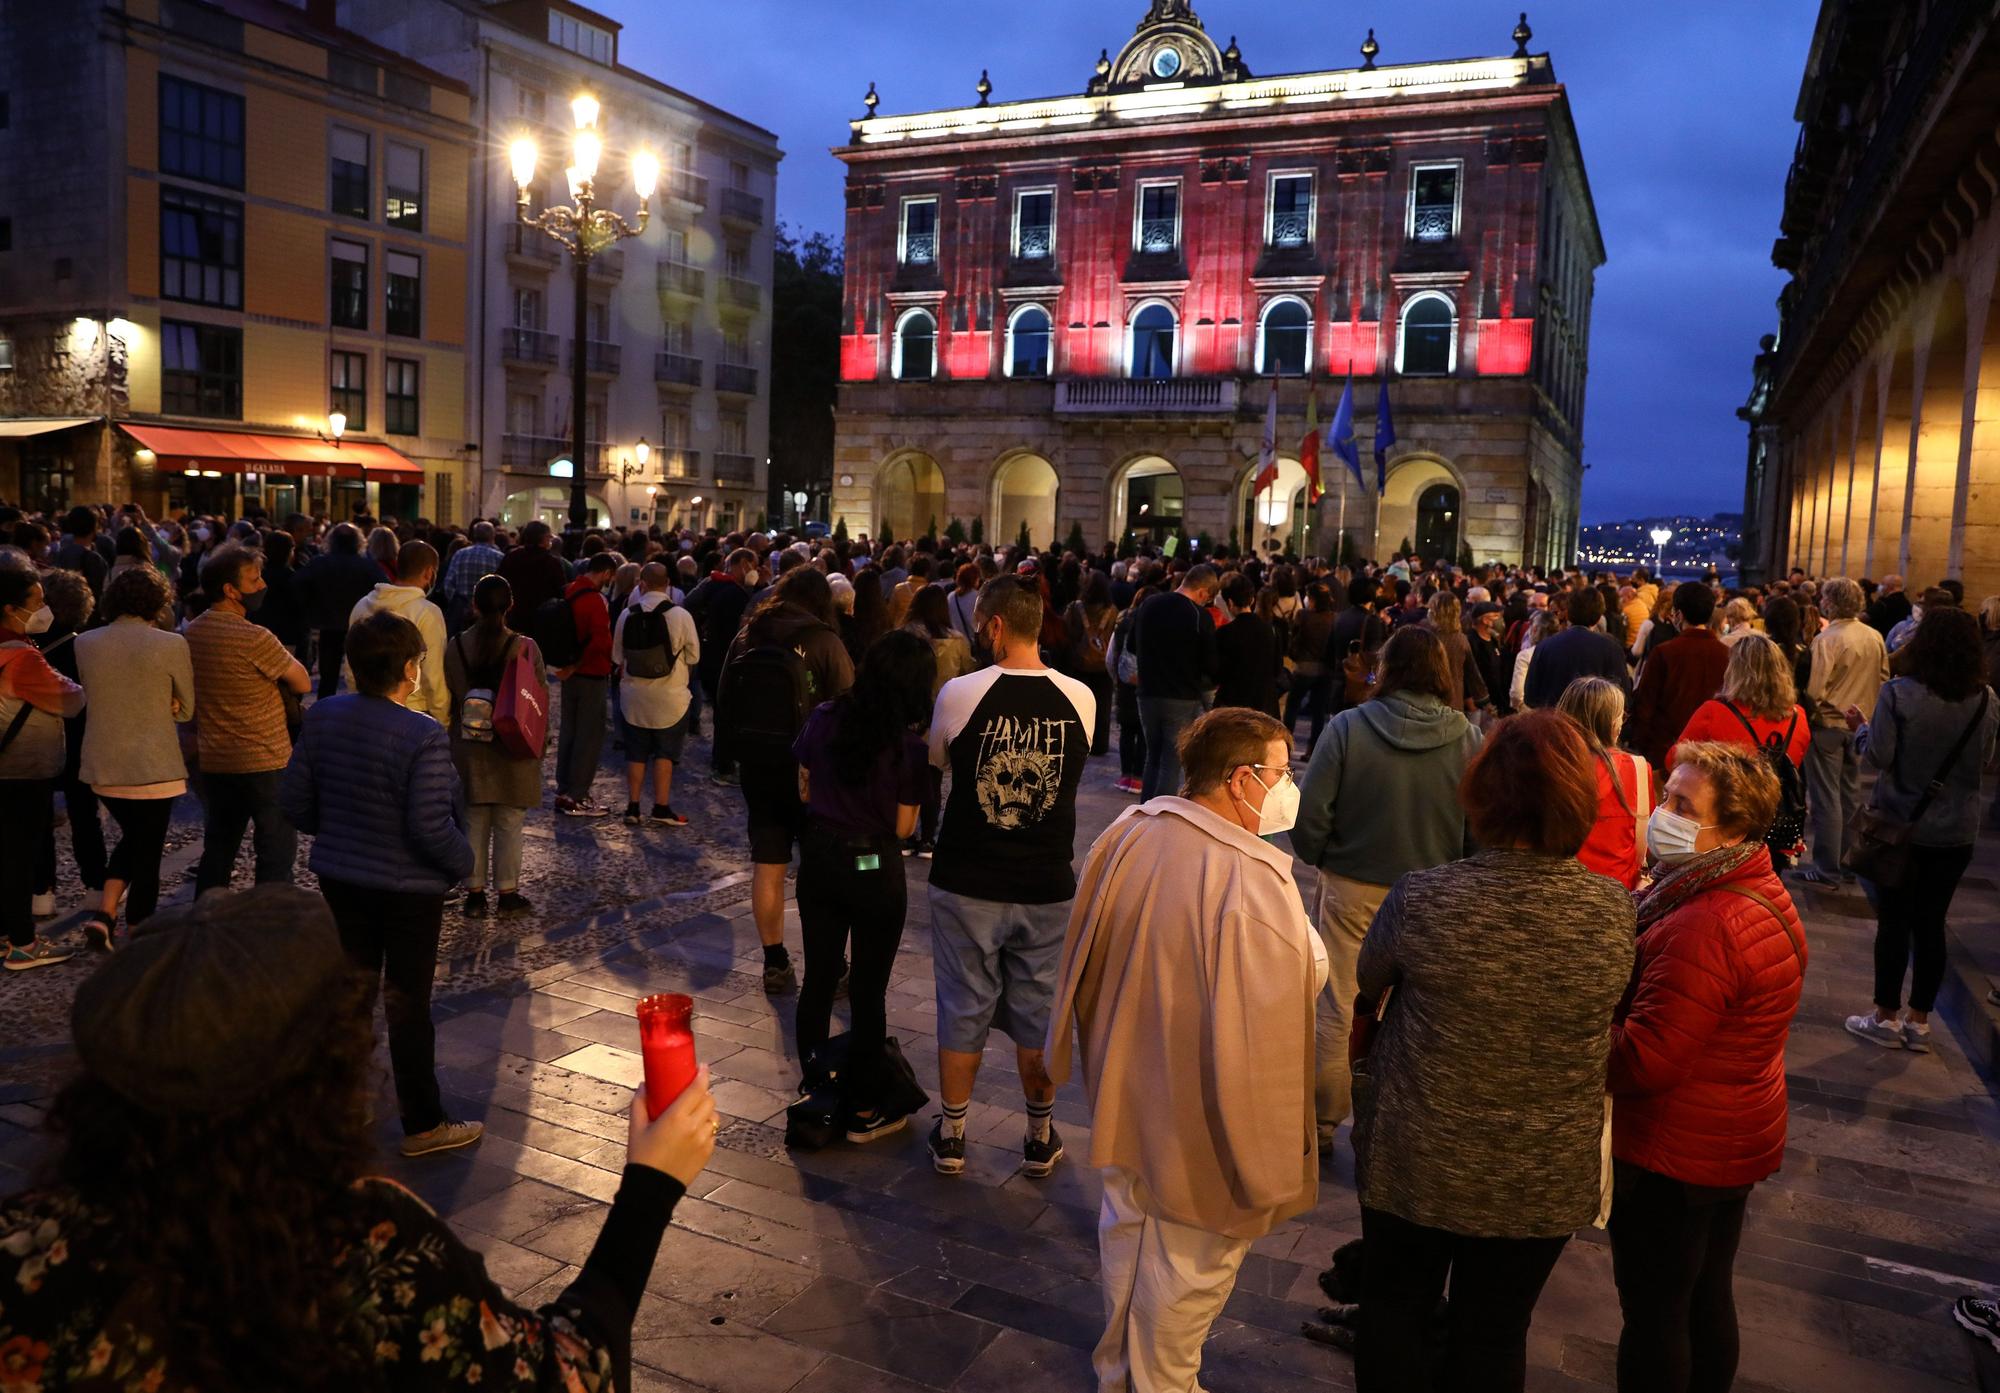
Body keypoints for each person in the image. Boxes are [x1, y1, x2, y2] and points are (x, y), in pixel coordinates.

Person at [0, 883, 720, 1391]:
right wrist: (651, 1184)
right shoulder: (369, 1253)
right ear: (328, 1072)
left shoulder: (22, 1253)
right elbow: (569, 1372)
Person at [1352, 711, 1636, 1391]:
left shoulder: (1426, 896)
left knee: (1395, 1310)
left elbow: (1370, 981)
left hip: (1418, 1151)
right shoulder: (1613, 911)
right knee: (1495, 1332)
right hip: (1538, 1171)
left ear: (1481, 793)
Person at [1048, 707, 1324, 1392]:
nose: (1287, 789)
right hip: (1202, 1117)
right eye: (1281, 774)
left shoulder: (1129, 830)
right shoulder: (1252, 878)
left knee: (1127, 1240)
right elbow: (1281, 993)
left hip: (1126, 1089)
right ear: (1240, 780)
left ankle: (1120, 1374)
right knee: (1186, 1271)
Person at [1608, 742, 1806, 1393]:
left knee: (1658, 1313)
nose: (1663, 812)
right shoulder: (1754, 883)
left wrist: (1575, 1027)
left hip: (1676, 1150)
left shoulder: (1706, 921)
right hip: (1732, 1130)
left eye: (1681, 805)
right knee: (1703, 1295)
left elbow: (1645, 1059)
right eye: (1668, 795)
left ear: (1733, 827)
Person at [281, 610, 479, 1157]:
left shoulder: (324, 717)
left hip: (342, 876)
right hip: (409, 889)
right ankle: (422, 1123)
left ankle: (347, 1099)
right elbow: (428, 825)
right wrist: (465, 862)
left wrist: (342, 828)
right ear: (410, 668)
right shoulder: (421, 734)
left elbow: (295, 800)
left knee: (352, 992)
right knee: (408, 1003)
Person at [925, 576, 1096, 1178]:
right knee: (1038, 1013)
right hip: (1046, 881)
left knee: (962, 1005)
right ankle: (1038, 1135)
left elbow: (938, 762)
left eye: (979, 622)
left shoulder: (959, 693)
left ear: (995, 626)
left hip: (967, 876)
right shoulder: (1080, 697)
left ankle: (952, 1133)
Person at [1292, 625, 1483, 1150]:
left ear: (1387, 668)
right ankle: (1401, 1122)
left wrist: (1326, 858)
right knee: (1419, 1011)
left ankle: (1322, 1121)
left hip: (1353, 887)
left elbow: (1308, 816)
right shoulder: (1467, 738)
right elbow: (1479, 828)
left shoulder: (1348, 728)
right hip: (1433, 892)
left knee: (1337, 1003)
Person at [790, 629, 935, 1139]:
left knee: (819, 978)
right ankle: (866, 1108)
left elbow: (804, 786)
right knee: (869, 990)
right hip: (875, 866)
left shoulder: (825, 717)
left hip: (822, 858)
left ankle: (815, 1083)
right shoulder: (908, 748)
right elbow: (902, 829)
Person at [1842, 606, 1997, 1051]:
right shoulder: (1987, 700)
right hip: (1957, 831)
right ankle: (1920, 1020)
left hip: (1901, 827)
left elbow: (1879, 757)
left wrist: (1862, 730)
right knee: (1932, 923)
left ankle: (1885, 1017)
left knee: (1894, 922)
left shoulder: (1899, 694)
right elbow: (1986, 761)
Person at [718, 567, 855, 993]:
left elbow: (723, 697)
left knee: (768, 864)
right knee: (819, 869)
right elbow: (848, 705)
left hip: (759, 766)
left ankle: (774, 962)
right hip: (813, 771)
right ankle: (830, 965)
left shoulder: (747, 635)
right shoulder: (824, 640)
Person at [73, 564, 194, 948]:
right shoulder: (172, 645)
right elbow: (187, 709)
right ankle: (138, 927)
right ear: (158, 603)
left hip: (103, 762)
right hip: (155, 764)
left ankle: (105, 914)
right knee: (148, 850)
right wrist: (165, 704)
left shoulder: (85, 643)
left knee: (135, 839)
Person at [185, 543, 311, 895]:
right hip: (265, 756)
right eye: (254, 580)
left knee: (220, 847)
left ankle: (207, 917)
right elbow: (300, 680)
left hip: (216, 757)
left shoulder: (192, 633)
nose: (261, 586)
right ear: (230, 590)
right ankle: (267, 923)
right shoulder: (255, 637)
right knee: (275, 849)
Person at [445, 574, 547, 917]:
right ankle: (507, 893)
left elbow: (450, 696)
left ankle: (474, 895)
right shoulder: (525, 648)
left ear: (473, 604)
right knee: (509, 824)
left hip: (469, 745)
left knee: (472, 820)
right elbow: (540, 701)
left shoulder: (455, 645)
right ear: (511, 606)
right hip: (512, 747)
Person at [0, 569, 84, 970]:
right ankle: (22, 943)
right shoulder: (22, 656)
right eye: (35, 603)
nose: (42, 610)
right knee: (19, 855)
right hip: (22, 768)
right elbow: (71, 699)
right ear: (10, 609)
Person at [1797, 577, 1890, 885]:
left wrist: (1810, 710)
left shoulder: (1827, 639)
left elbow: (1814, 689)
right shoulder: (1874, 636)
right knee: (1850, 796)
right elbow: (1883, 677)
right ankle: (1850, 861)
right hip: (1860, 724)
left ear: (1831, 602)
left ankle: (1827, 867)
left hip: (1827, 724)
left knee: (1826, 800)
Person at [613, 562, 701, 827]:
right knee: (665, 753)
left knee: (635, 753)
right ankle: (661, 807)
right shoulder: (681, 616)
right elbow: (694, 655)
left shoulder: (626, 615)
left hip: (634, 698)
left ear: (642, 583)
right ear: (668, 586)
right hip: (671, 698)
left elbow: (617, 657)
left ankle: (633, 806)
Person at [1558, 675, 1655, 890]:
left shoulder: (1551, 767)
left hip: (1559, 890)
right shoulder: (1637, 769)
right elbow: (1647, 840)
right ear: (1612, 722)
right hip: (1619, 891)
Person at [1133, 564, 1219, 800]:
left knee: (1153, 755)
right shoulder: (1198, 615)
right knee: (1171, 760)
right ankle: (1160, 814)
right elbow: (1210, 663)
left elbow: (1131, 645)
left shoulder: (1149, 604)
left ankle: (1146, 808)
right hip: (1181, 695)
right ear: (1203, 592)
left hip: (1147, 692)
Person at [1627, 583, 1731, 772]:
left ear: (1679, 615)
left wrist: (1640, 745)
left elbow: (1645, 705)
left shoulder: (1665, 653)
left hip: (1666, 752)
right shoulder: (1727, 655)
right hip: (1712, 754)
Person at [345, 539, 450, 726]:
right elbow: (433, 675)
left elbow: (351, 663)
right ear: (429, 572)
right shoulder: (427, 612)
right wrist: (442, 720)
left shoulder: (362, 606)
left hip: (367, 705)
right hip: (414, 710)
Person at [684, 547, 760, 785]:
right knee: (727, 714)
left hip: (710, 656)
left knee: (721, 711)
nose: (755, 571)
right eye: (753, 565)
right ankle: (723, 765)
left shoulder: (713, 584)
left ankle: (723, 761)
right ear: (742, 565)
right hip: (725, 659)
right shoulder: (735, 595)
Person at [551, 552, 619, 817]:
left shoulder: (569, 592)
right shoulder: (595, 600)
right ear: (606, 573)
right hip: (590, 673)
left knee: (569, 730)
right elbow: (600, 642)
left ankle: (564, 786)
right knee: (589, 736)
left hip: (569, 674)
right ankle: (576, 795)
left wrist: (567, 668)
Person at [296, 522, 381, 697]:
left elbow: (297, 585)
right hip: (359, 624)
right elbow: (384, 587)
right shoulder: (366, 565)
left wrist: (311, 609)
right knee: (360, 673)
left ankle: (325, 708)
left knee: (328, 676)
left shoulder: (320, 563)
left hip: (328, 623)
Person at [1522, 584, 1630, 710]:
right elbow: (1623, 696)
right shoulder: (1611, 648)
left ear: (1568, 613)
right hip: (1594, 724)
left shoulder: (1545, 646)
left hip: (1554, 722)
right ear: (1599, 616)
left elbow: (1530, 697)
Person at [1064, 570, 1121, 753]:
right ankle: (1100, 744)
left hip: (1080, 664)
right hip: (1103, 667)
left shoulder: (1075, 607)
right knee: (1103, 706)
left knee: (1078, 706)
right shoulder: (1112, 611)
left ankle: (1078, 743)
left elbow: (1068, 631)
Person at [1214, 571, 1281, 717]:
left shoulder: (1225, 633)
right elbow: (1277, 668)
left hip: (1234, 703)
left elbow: (1217, 672)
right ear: (1252, 600)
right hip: (1265, 703)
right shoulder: (1269, 629)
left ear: (1230, 603)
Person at [1283, 583, 1340, 748]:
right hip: (1325, 670)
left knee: (1293, 705)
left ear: (1313, 599)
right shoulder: (1333, 618)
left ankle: (1286, 743)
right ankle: (1313, 747)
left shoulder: (1303, 615)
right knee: (1318, 711)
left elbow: (1294, 640)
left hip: (1304, 668)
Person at [1426, 590, 1491, 715]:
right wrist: (1484, 700)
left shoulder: (1425, 637)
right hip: (1453, 702)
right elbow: (1473, 675)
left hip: (1427, 702)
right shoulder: (1460, 639)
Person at [499, 519, 570, 633]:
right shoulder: (551, 562)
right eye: (548, 537)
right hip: (543, 619)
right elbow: (561, 590)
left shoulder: (512, 557)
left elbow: (500, 583)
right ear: (542, 539)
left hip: (515, 616)